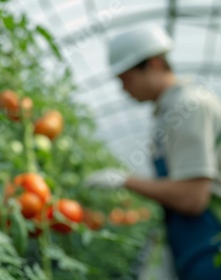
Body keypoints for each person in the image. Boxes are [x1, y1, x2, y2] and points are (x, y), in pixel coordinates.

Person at [84, 26, 221, 279]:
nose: (123, 89)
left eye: (126, 79)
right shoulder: (168, 114)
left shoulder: (190, 107)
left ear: (154, 64)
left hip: (212, 249)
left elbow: (193, 198)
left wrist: (125, 181)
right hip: (196, 248)